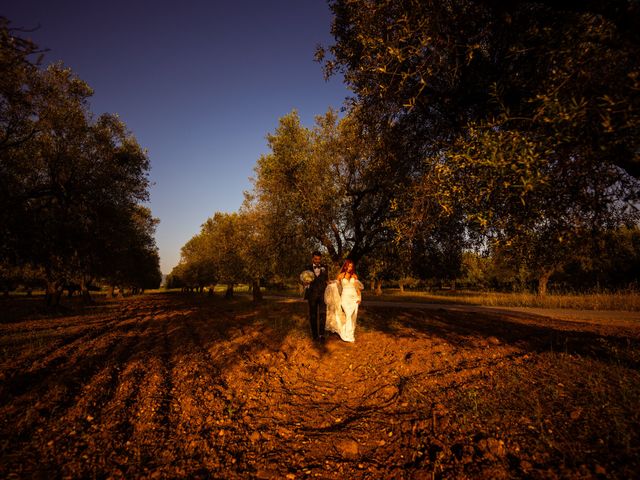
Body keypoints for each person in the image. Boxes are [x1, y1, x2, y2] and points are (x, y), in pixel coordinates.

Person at [325, 259, 362, 342]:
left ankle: (350, 334)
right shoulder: (341, 275)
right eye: (349, 266)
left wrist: (359, 298)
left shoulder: (354, 276)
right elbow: (336, 284)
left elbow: (358, 289)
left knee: (353, 316)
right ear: (345, 266)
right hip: (345, 298)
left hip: (354, 298)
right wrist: (331, 283)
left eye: (351, 266)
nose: (350, 268)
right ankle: (346, 334)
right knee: (348, 315)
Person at [302, 251, 329, 341]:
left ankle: (321, 334)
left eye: (319, 259)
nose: (317, 261)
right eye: (315, 259)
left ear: (320, 258)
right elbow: (303, 280)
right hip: (312, 295)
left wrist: (331, 284)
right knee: (313, 315)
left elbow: (326, 280)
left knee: (323, 314)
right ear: (312, 258)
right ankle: (315, 335)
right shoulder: (307, 267)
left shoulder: (325, 267)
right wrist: (305, 283)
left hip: (322, 295)